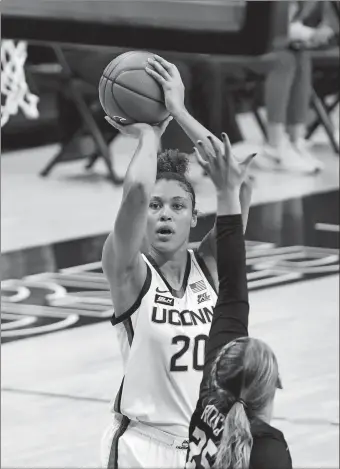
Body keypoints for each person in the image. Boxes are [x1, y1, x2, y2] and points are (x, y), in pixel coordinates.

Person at [100, 55, 254, 469]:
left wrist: (180, 112)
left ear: (194, 217)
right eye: (156, 206)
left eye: (178, 205)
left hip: (209, 447)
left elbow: (237, 179)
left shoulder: (210, 266)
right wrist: (148, 135)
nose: (165, 214)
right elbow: (134, 190)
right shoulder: (128, 270)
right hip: (144, 448)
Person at [186, 137, 292, 469]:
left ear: (219, 370)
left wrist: (229, 193)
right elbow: (232, 285)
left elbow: (232, 290)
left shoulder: (210, 403)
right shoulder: (267, 452)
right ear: (273, 386)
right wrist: (229, 192)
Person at [255, 0, 336, 174]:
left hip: (283, 40)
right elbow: (273, 25)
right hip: (249, 44)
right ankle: (273, 147)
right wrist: (308, 34)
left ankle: (295, 142)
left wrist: (326, 30)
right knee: (284, 59)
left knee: (301, 56)